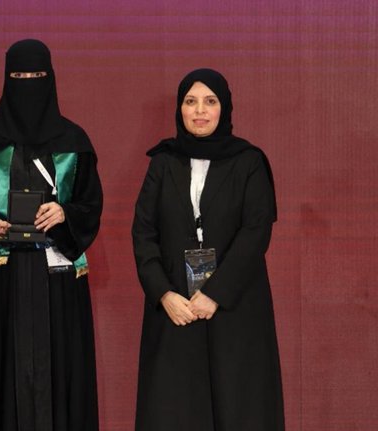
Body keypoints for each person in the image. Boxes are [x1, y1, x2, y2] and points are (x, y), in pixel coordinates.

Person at [0, 39, 102, 431]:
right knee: (1, 380)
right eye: (19, 75)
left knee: (60, 379)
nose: (28, 83)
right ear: (6, 79)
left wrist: (64, 213)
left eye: (36, 75)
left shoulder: (74, 143)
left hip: (58, 282)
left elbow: (90, 207)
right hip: (2, 282)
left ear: (50, 78)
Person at [132, 69, 284, 431]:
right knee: (174, 410)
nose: (199, 110)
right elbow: (143, 232)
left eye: (210, 101)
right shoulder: (163, 162)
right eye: (191, 101)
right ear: (180, 109)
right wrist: (163, 294)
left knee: (240, 409)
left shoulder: (249, 162)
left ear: (224, 108)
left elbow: (255, 233)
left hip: (235, 308)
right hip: (176, 310)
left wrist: (215, 293)